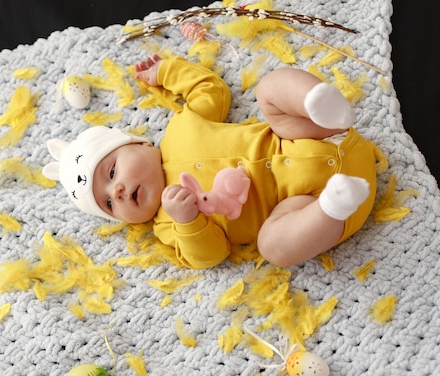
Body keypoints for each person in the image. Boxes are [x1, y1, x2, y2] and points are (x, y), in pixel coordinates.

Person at [43, 54, 382, 269]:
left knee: (270, 89)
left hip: (306, 138)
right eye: (106, 203)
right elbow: (209, 256)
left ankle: (320, 105)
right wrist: (188, 222)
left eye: (112, 171)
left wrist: (167, 71)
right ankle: (333, 205)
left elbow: (211, 90)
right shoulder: (167, 224)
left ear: (141, 143)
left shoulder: (181, 126)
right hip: (302, 203)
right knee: (273, 246)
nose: (115, 191)